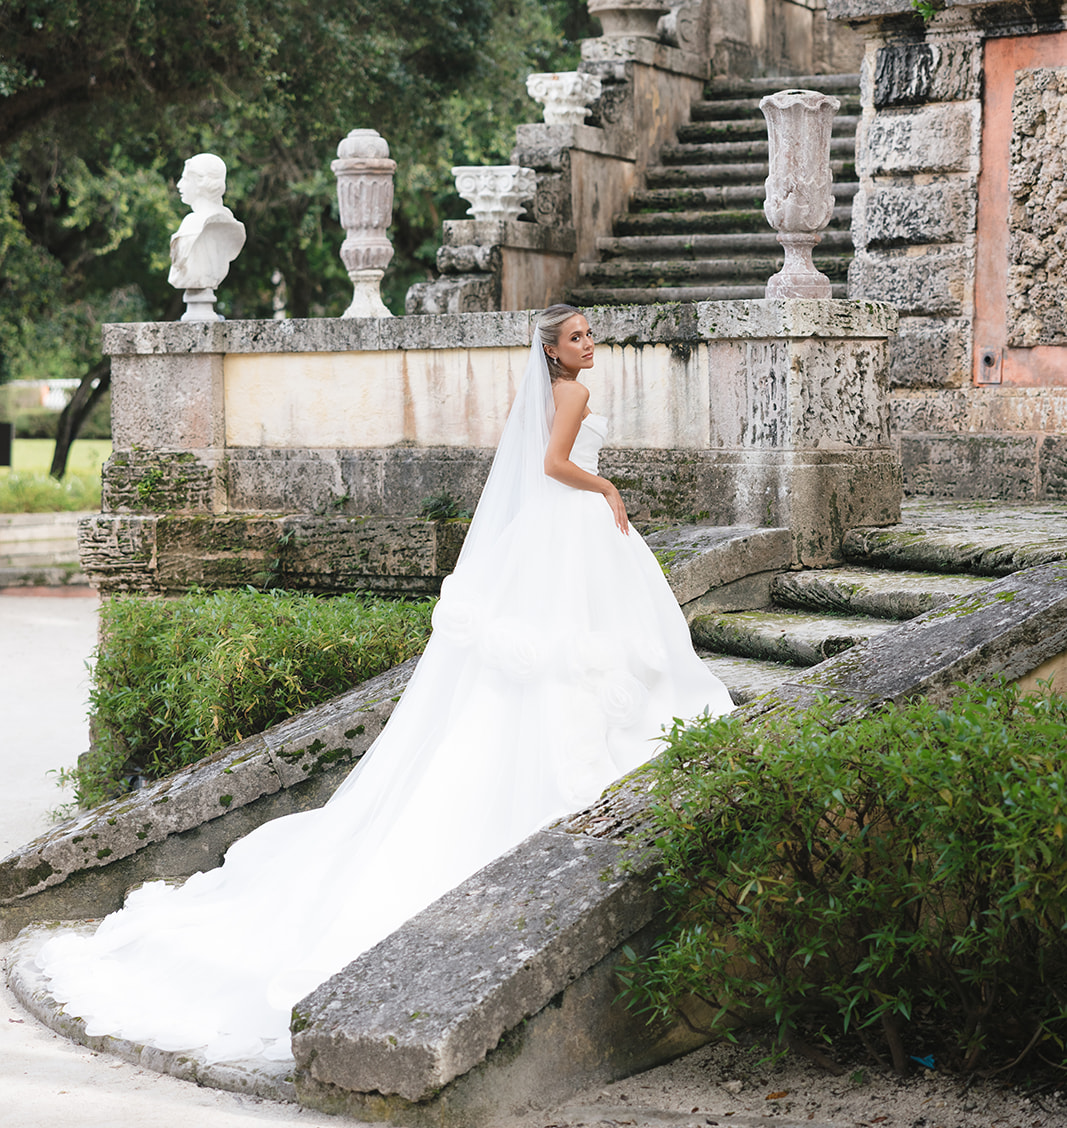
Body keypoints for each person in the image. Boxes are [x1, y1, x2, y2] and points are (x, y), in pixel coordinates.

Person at [36, 305, 732, 1064]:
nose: (589, 345)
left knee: (558, 656)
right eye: (577, 338)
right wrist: (607, 490)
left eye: (590, 335)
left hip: (554, 540)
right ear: (554, 354)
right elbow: (553, 466)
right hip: (572, 522)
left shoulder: (549, 391)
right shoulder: (569, 395)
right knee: (576, 654)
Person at [167, 153, 246, 292]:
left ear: (200, 184)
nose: (179, 185)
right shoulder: (226, 220)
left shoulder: (194, 222)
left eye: (185, 179)